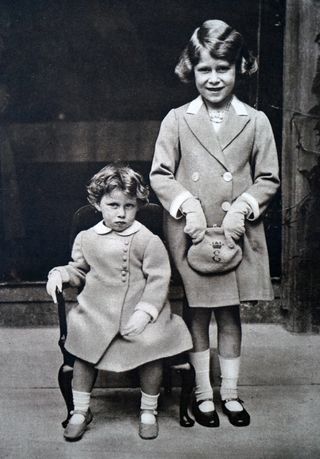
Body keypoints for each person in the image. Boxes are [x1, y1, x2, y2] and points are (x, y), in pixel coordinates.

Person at [150, 19, 280, 428]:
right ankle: (204, 394)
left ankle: (231, 393)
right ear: (191, 70)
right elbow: (160, 174)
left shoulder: (256, 120)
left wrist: (244, 205)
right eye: (205, 69)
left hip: (234, 233)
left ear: (240, 67)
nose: (214, 78)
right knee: (197, 312)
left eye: (223, 68)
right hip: (193, 233)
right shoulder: (177, 119)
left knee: (229, 314)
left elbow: (269, 178)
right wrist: (186, 204)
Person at [46, 164, 192, 441]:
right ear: (98, 203)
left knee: (151, 348)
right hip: (98, 311)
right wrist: (60, 274)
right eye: (113, 205)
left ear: (138, 206)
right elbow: (78, 270)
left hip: (141, 312)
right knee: (84, 348)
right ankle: (80, 410)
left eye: (129, 206)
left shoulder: (148, 240)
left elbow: (159, 279)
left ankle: (149, 410)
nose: (121, 213)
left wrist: (146, 313)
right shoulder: (87, 238)